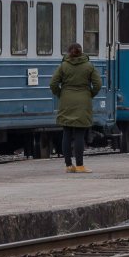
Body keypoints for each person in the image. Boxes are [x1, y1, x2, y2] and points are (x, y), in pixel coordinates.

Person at [50, 42, 102, 173]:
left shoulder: (63, 66)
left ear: (69, 52)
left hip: (66, 100)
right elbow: (98, 84)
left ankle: (68, 165)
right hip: (83, 100)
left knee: (66, 133)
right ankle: (80, 166)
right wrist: (90, 93)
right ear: (81, 52)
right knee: (79, 134)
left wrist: (61, 93)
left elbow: (53, 83)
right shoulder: (89, 66)